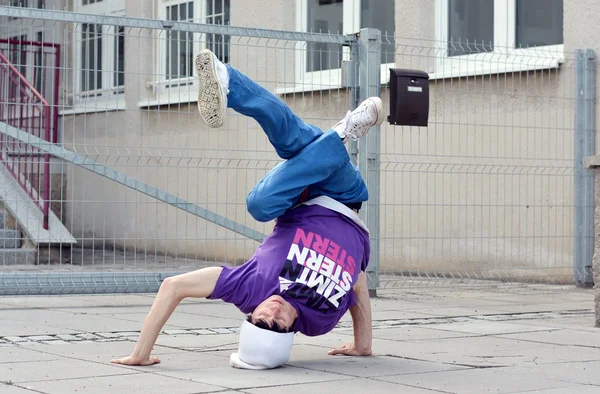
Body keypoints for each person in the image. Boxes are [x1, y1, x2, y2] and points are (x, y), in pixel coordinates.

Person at [110, 49, 384, 370]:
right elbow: (357, 281)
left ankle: (234, 83)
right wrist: (363, 343)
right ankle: (340, 134)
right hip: (344, 193)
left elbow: (174, 286)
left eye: (259, 320)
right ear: (289, 332)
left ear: (249, 314)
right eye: (277, 325)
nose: (272, 313)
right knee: (293, 143)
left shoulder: (249, 289)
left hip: (297, 191)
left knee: (264, 196)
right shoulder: (319, 321)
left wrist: (141, 353)